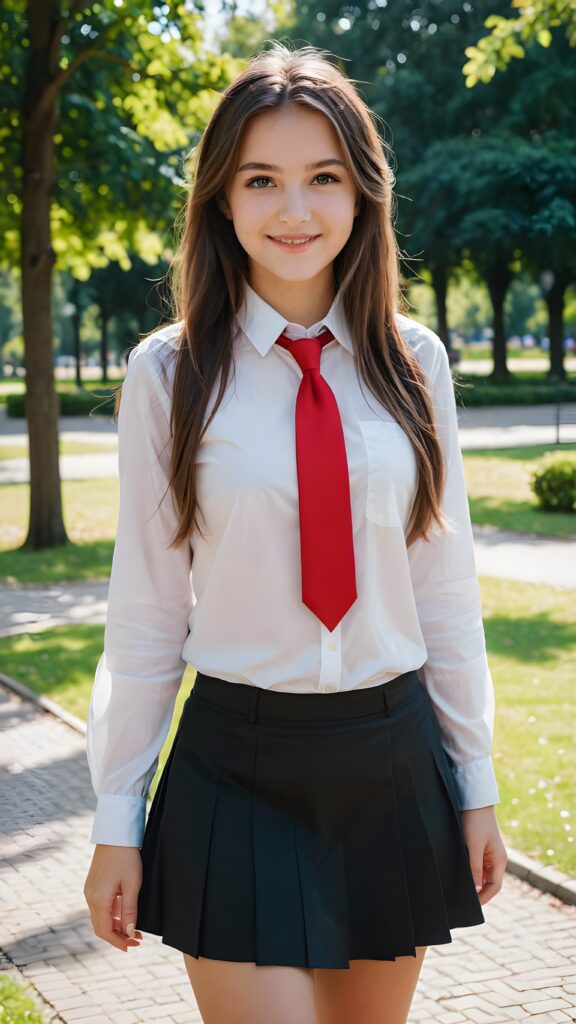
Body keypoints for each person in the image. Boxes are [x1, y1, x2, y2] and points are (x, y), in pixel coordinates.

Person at [83, 41, 507, 1024]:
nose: (295, 210)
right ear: (221, 199)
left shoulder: (416, 363)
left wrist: (475, 781)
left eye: (324, 177)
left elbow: (444, 589)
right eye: (261, 179)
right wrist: (116, 817)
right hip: (236, 765)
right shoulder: (168, 374)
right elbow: (147, 612)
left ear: (362, 193)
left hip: (392, 761)